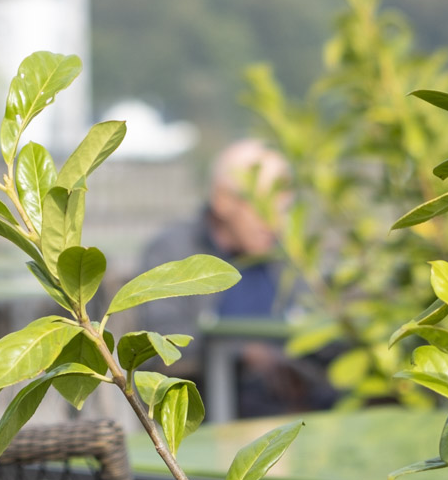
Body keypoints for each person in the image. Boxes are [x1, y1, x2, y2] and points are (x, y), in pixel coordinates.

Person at [136, 138, 329, 417]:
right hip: (211, 418)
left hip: (299, 414)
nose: (276, 222)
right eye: (263, 207)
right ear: (223, 200)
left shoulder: (285, 257)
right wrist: (243, 353)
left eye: (284, 209)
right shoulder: (174, 253)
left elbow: (319, 326)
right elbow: (161, 343)